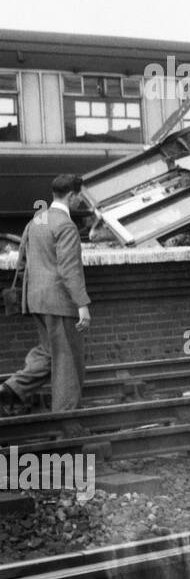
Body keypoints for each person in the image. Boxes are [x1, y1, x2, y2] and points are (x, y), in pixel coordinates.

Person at [1, 174, 92, 414]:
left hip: (35, 300)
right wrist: (82, 304)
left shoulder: (37, 220)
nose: (80, 201)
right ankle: (65, 418)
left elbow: (21, 262)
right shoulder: (66, 225)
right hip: (59, 302)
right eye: (79, 196)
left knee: (49, 352)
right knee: (67, 362)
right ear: (71, 195)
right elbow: (69, 269)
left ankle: (12, 388)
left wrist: (27, 294)